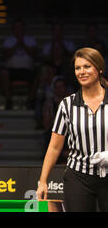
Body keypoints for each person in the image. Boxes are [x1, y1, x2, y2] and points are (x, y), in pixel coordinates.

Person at [36, 47, 108, 212]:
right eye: (77, 68)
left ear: (100, 69)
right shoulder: (67, 105)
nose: (81, 72)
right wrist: (43, 181)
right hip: (78, 176)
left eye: (87, 67)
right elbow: (54, 147)